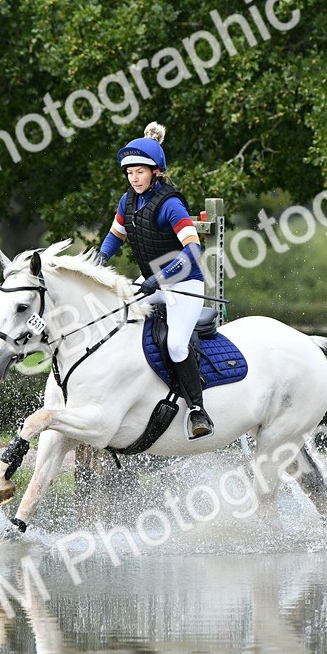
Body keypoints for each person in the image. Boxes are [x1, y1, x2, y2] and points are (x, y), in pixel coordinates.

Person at [96, 122, 214, 440]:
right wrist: (97, 262)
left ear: (155, 173)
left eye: (140, 172)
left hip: (184, 284)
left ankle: (197, 410)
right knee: (116, 319)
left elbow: (193, 251)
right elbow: (113, 238)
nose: (134, 178)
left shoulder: (171, 205)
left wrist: (160, 279)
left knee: (176, 343)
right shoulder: (127, 203)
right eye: (130, 173)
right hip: (151, 281)